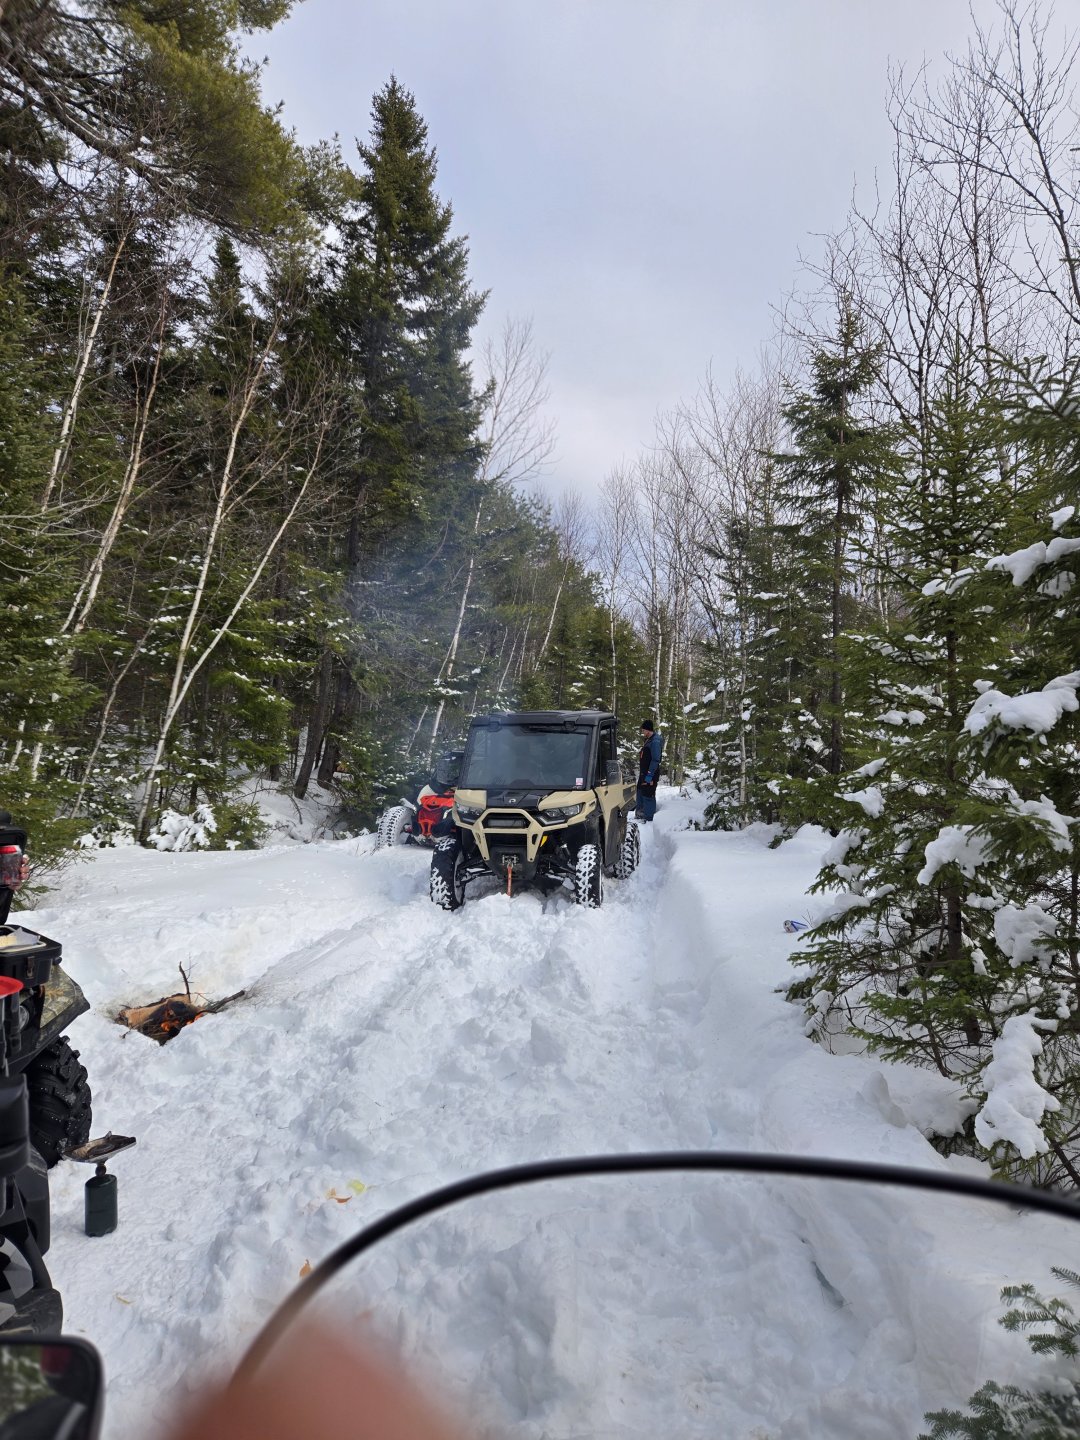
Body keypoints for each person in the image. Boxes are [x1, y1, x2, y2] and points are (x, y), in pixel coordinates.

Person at [636, 719, 663, 822]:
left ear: (648, 730)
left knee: (648, 794)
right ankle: (640, 814)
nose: (643, 732)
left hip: (650, 773)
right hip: (644, 772)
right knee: (640, 790)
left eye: (643, 730)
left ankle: (649, 819)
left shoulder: (655, 741)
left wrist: (650, 775)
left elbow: (655, 759)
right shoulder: (649, 739)